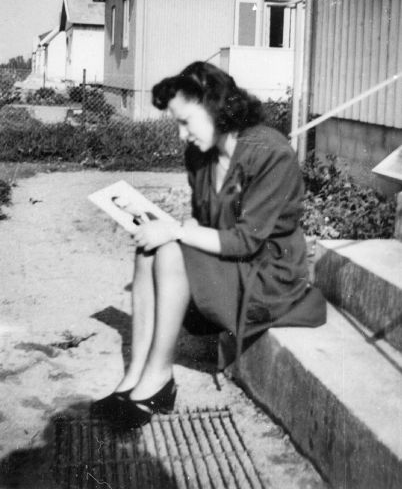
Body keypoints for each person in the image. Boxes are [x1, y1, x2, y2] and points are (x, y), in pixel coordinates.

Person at [90, 61, 326, 429]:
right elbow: (205, 222)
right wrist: (163, 226)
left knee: (169, 247)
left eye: (186, 122)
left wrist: (176, 232)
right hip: (230, 262)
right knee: (148, 249)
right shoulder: (199, 155)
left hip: (268, 273)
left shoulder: (270, 152)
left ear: (216, 108)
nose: (182, 135)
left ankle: (159, 379)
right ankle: (134, 376)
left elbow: (247, 239)